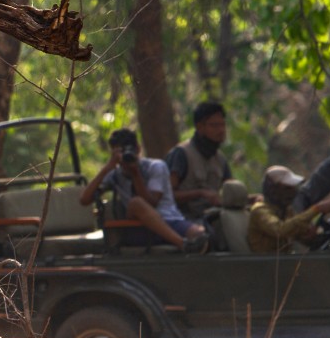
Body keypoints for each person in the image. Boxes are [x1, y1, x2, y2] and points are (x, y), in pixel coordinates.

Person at [80, 128, 209, 252]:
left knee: (201, 235)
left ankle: (189, 246)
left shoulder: (155, 167)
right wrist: (107, 167)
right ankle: (182, 244)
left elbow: (153, 202)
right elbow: (84, 200)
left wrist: (136, 174)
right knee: (136, 203)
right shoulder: (114, 174)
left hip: (169, 220)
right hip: (139, 228)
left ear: (138, 149)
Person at [165, 101, 233, 221]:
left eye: (223, 125)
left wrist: (251, 199)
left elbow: (232, 191)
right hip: (184, 219)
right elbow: (168, 194)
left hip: (214, 217)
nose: (221, 130)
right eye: (215, 125)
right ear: (200, 127)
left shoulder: (220, 159)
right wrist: (200, 193)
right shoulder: (181, 154)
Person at [249, 166, 330, 253]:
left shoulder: (285, 210)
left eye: (293, 188)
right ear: (273, 190)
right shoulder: (260, 211)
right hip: (265, 265)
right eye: (287, 188)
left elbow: (295, 230)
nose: (293, 192)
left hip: (283, 263)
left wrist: (309, 234)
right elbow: (280, 230)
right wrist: (316, 209)